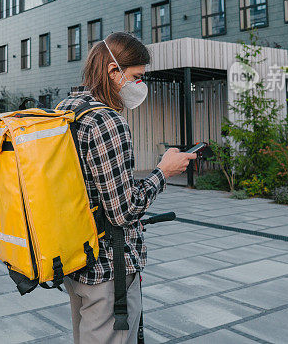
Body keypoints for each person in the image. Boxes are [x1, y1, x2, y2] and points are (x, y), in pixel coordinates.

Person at [56, 31, 196, 344]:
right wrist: (163, 171)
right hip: (109, 269)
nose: (139, 86)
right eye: (136, 77)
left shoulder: (68, 108)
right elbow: (123, 211)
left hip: (76, 259)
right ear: (113, 71)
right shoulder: (107, 122)